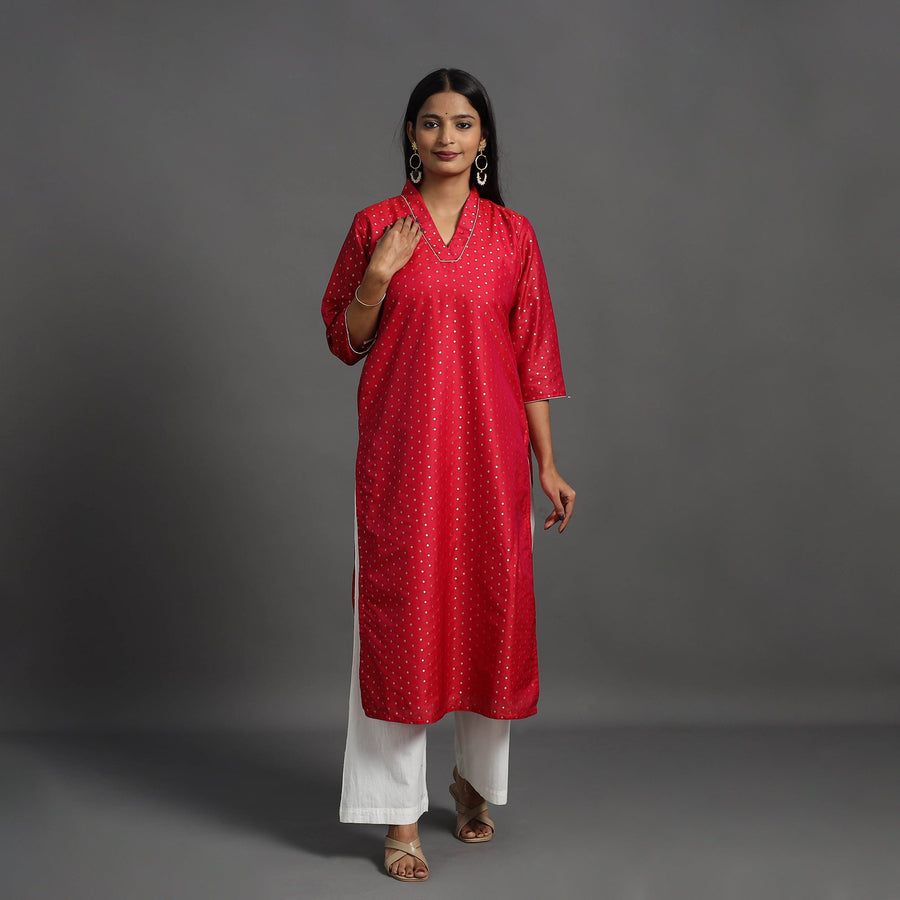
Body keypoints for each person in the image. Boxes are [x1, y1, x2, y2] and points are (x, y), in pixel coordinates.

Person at [321, 67, 575, 883]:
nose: (447, 137)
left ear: (483, 138)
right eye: (431, 122)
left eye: (462, 124)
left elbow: (534, 356)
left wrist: (546, 461)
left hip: (492, 454)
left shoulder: (513, 235)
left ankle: (473, 782)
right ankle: (399, 815)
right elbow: (345, 339)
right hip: (403, 456)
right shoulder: (376, 225)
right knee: (403, 619)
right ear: (411, 135)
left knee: (487, 612)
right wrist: (377, 277)